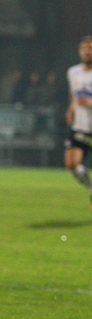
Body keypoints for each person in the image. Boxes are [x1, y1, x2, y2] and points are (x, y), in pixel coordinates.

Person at [65, 35, 92, 211]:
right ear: (80, 51)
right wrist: (71, 109)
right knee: (71, 163)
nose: (87, 51)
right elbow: (73, 95)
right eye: (85, 48)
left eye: (90, 48)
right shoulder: (73, 72)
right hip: (80, 126)